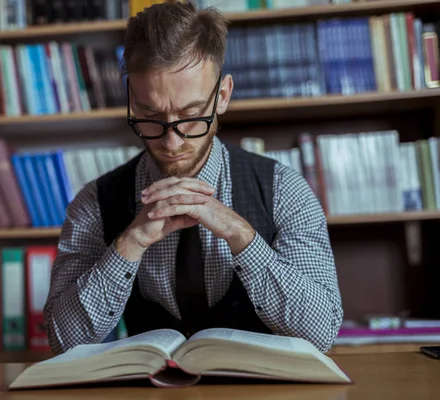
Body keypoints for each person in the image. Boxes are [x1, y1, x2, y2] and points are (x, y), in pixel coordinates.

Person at [44, 1, 343, 355]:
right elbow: (61, 341)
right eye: (151, 116)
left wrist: (242, 236)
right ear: (132, 100)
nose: (172, 142)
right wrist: (129, 243)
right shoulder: (94, 203)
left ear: (223, 95)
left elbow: (322, 332)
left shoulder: (284, 190)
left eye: (190, 116)